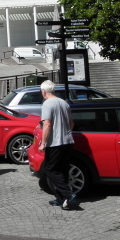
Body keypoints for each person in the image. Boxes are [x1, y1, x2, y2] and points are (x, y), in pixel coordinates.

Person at [38, 80, 76, 210]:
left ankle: (67, 194)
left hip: (55, 143)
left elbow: (47, 124)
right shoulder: (64, 103)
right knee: (63, 170)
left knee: (50, 170)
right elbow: (71, 123)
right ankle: (62, 200)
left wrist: (43, 143)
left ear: (44, 92)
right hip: (68, 141)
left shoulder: (47, 104)